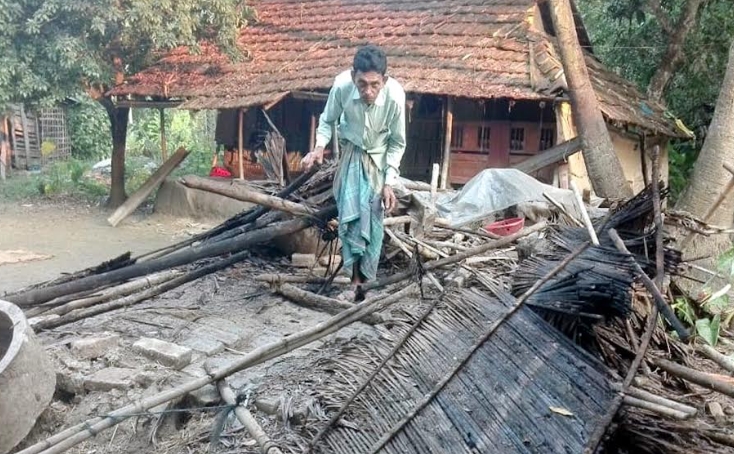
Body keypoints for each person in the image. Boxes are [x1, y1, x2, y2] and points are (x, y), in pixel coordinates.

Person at [301, 44, 406, 301]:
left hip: (378, 163)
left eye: (374, 84)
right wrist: (318, 148)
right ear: (353, 77)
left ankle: (368, 284)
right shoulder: (341, 87)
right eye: (362, 84)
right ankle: (355, 284)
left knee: (373, 225)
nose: (368, 91)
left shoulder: (395, 97)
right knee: (350, 225)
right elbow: (327, 120)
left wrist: (389, 182)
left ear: (384, 80)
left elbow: (397, 143)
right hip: (350, 159)